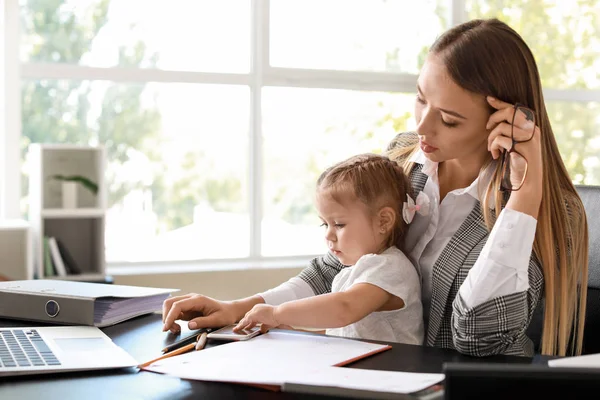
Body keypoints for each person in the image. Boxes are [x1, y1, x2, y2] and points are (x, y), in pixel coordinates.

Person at [162, 18, 589, 357]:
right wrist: (237, 308)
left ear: (504, 120)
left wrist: (524, 194)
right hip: (372, 375)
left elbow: (478, 337)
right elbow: (339, 268)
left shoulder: (549, 210)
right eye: (421, 98)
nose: (422, 126)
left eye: (450, 118)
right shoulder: (406, 160)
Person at [233, 153, 424, 344]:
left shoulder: (391, 267)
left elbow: (343, 309)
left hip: (394, 370)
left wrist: (277, 313)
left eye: (339, 225)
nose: (328, 235)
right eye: (325, 224)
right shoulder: (358, 270)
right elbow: (343, 333)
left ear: (384, 221)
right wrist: (296, 333)